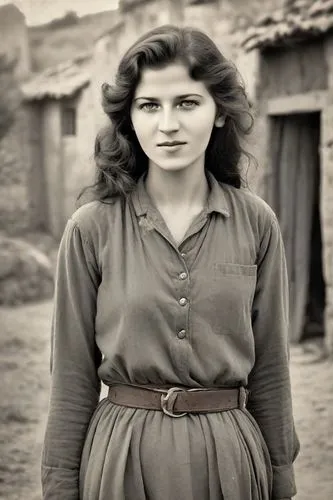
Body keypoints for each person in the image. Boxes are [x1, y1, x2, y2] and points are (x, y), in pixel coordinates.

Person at [41, 25, 300, 500]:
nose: (167, 125)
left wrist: (280, 476)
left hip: (231, 463)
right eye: (149, 106)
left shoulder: (257, 223)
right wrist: (60, 487)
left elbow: (270, 369)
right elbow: (72, 379)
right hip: (120, 459)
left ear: (219, 112)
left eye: (187, 103)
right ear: (130, 119)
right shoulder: (90, 228)